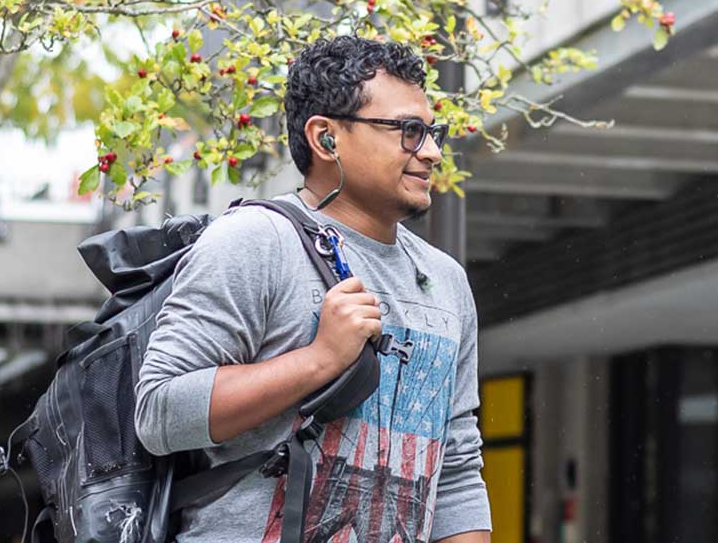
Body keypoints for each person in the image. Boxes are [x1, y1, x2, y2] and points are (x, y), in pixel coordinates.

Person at [136, 36, 490, 543]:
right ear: (326, 139)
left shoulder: (446, 280)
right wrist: (320, 359)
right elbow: (159, 412)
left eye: (431, 131)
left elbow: (453, 467)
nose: (431, 152)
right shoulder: (254, 242)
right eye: (408, 131)